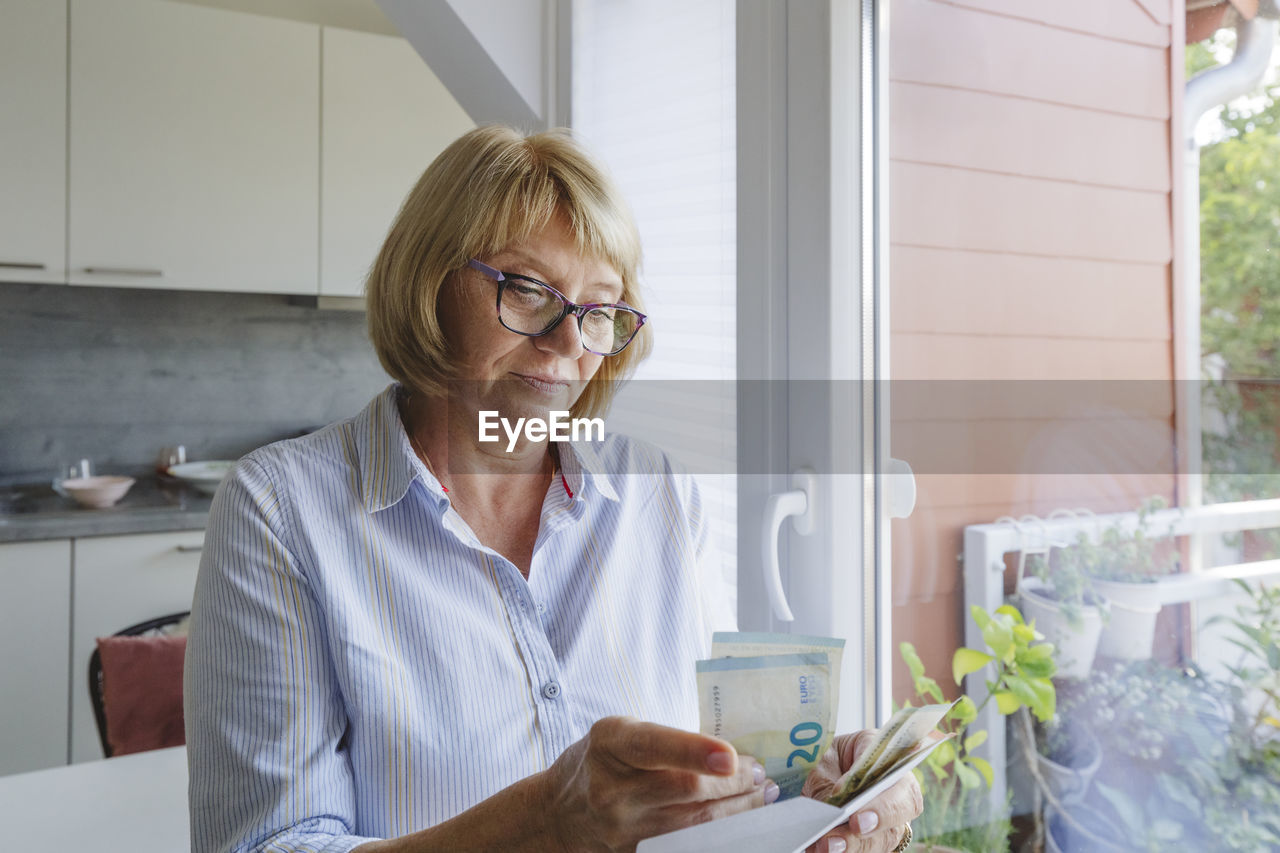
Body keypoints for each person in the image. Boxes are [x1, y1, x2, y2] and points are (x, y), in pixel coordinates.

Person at [185, 124, 923, 853]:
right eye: (530, 291)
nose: (570, 343)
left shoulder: (661, 494)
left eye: (599, 310)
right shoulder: (280, 510)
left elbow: (713, 777)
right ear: (428, 282)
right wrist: (542, 823)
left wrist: (819, 794)